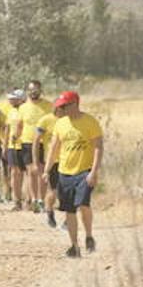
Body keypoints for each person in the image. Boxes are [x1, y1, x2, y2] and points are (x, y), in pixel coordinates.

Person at [45, 90, 104, 258]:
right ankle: (74, 246)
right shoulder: (60, 124)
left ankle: (89, 235)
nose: (62, 110)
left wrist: (94, 172)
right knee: (69, 210)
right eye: (60, 107)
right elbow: (54, 148)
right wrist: (47, 170)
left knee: (84, 204)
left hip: (84, 172)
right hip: (64, 173)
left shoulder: (90, 122)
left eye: (64, 106)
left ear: (75, 104)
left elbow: (99, 147)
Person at [13, 80, 53, 213]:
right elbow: (19, 125)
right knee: (31, 171)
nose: (33, 92)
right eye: (31, 89)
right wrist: (15, 136)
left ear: (40, 90)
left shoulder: (48, 105)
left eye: (36, 89)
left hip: (44, 143)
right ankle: (34, 200)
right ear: (27, 91)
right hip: (27, 142)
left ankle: (42, 200)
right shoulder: (23, 107)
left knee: (42, 171)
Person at [33, 106, 60, 229]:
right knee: (53, 190)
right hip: (52, 160)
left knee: (69, 192)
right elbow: (36, 141)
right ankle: (49, 212)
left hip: (69, 161)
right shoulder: (46, 120)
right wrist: (36, 161)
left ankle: (68, 219)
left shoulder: (69, 120)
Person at [3, 89, 25, 208]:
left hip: (25, 144)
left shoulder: (26, 109)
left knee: (27, 173)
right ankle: (17, 200)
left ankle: (29, 200)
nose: (10, 100)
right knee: (14, 173)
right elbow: (7, 128)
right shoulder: (10, 111)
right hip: (13, 146)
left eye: (13, 98)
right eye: (10, 98)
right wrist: (5, 146)